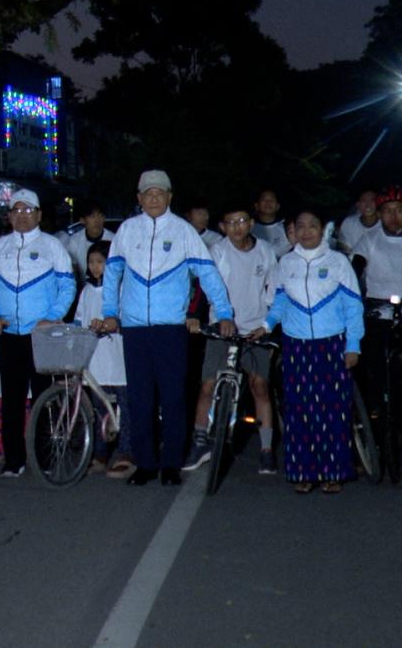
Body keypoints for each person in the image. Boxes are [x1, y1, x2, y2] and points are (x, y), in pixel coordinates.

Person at [95, 170, 235, 486]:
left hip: (171, 328)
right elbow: (112, 275)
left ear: (170, 196)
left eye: (160, 192)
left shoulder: (184, 231)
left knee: (173, 397)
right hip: (134, 329)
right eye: (148, 193)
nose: (154, 198)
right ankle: (145, 463)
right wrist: (110, 312)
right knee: (140, 398)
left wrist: (224, 312)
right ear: (139, 198)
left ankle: (171, 463)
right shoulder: (127, 230)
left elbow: (208, 274)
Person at [254, 210, 363, 493]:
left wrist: (353, 345)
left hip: (332, 344)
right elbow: (279, 303)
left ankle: (333, 472)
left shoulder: (338, 262)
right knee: (299, 410)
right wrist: (266, 325)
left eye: (312, 226)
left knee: (333, 409)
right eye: (300, 226)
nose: (306, 231)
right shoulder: (286, 263)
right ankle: (303, 472)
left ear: (322, 229)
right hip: (297, 345)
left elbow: (353, 306)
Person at [0, 189, 74, 478]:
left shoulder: (52, 246)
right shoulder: (0, 246)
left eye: (28, 210)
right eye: (16, 210)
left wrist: (53, 316)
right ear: (9, 216)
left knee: (44, 396)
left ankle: (46, 457)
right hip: (9, 333)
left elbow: (67, 286)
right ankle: (14, 460)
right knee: (12, 398)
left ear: (39, 214)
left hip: (40, 335)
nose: (22, 216)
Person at [183, 204, 280, 474]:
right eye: (231, 222)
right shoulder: (218, 252)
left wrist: (269, 324)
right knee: (207, 385)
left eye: (242, 220)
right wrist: (194, 316)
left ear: (251, 223)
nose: (237, 227)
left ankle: (266, 449)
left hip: (255, 328)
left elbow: (275, 289)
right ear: (222, 227)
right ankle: (199, 441)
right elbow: (204, 287)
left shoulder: (265, 252)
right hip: (222, 328)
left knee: (260, 386)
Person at [351, 185, 402, 465]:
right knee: (372, 371)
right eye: (388, 211)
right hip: (380, 310)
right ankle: (371, 433)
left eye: (399, 211)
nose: (394, 216)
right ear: (380, 213)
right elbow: (356, 268)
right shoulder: (370, 239)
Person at [72, 241, 132, 475]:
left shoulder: (122, 289)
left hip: (118, 356)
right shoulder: (87, 291)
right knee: (99, 407)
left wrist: (111, 325)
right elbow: (79, 319)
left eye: (101, 262)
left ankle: (126, 452)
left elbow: (128, 319)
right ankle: (99, 452)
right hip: (95, 357)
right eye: (91, 262)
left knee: (125, 406)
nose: (95, 267)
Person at [59, 201, 109, 281]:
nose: (97, 221)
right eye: (92, 216)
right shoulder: (75, 241)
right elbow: (73, 269)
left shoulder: (113, 240)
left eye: (100, 216)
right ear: (82, 220)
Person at [250, 189, 292, 258]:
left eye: (272, 200)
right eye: (264, 199)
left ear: (277, 206)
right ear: (256, 205)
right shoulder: (249, 227)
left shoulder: (287, 226)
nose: (268, 202)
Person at [337, 189, 379, 256]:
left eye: (372, 200)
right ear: (358, 204)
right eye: (364, 200)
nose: (368, 204)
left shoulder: (386, 224)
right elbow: (345, 249)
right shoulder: (349, 223)